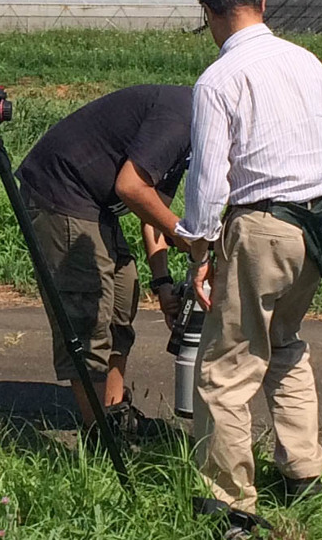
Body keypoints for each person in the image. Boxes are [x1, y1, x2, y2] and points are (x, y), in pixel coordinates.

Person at [175, 0, 322, 516]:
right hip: (320, 222)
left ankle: (229, 501)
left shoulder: (219, 79)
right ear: (262, 1)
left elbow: (209, 177)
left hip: (261, 226)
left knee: (227, 367)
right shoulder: (308, 62)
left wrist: (200, 244)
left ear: (208, 12)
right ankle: (303, 471)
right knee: (287, 345)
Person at [16, 85, 192, 435]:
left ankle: (113, 413)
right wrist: (187, 236)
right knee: (88, 314)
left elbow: (153, 213)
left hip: (97, 205)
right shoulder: (182, 116)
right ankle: (101, 435)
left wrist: (163, 284)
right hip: (62, 192)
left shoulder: (192, 138)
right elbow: (131, 187)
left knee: (122, 302)